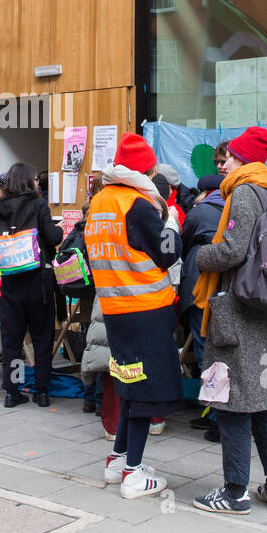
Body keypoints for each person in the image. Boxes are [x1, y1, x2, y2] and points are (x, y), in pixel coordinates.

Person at [192, 130, 267, 515]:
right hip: (260, 312)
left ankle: (235, 492)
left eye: (230, 157)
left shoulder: (243, 194)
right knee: (264, 403)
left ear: (244, 161)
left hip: (235, 314)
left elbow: (232, 250)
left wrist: (201, 254)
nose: (225, 164)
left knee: (230, 401)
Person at [85, 134, 182, 500]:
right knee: (143, 390)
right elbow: (167, 253)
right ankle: (133, 473)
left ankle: (117, 459)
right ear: (146, 169)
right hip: (146, 309)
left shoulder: (101, 201)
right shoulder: (138, 205)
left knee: (127, 382)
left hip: (114, 309)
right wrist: (171, 221)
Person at [0, 162, 64, 408]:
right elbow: (52, 238)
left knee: (12, 340)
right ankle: (41, 391)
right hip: (38, 281)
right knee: (42, 337)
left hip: (11, 282)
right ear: (29, 181)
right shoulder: (38, 204)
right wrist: (58, 231)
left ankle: (12, 391)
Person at [180, 172, 225, 440]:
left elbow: (182, 246)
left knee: (205, 348)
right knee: (223, 351)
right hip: (229, 290)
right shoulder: (238, 207)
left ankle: (216, 415)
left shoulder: (200, 212)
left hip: (201, 288)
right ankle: (221, 413)